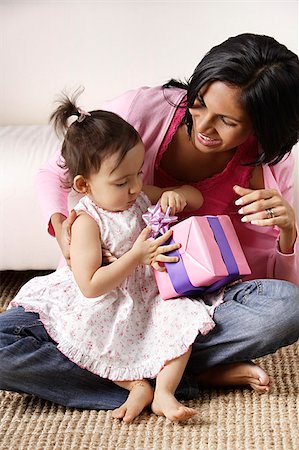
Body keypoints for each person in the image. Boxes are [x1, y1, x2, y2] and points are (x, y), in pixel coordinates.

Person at [0, 32, 299, 411]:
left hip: (189, 297)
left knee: (288, 307)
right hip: (109, 298)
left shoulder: (266, 163)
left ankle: (147, 368)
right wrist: (63, 228)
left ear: (261, 127)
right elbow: (54, 173)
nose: (204, 126)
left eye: (225, 120)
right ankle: (181, 375)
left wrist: (288, 232)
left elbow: (272, 282)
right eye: (200, 103)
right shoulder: (144, 109)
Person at [8, 95, 218, 422]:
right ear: (84, 185)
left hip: (150, 295)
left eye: (138, 173)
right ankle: (135, 384)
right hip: (108, 302)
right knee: (91, 343)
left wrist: (178, 196)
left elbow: (197, 196)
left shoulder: (137, 195)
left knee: (181, 326)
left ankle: (164, 392)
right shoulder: (87, 222)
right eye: (122, 181)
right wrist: (136, 256)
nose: (136, 187)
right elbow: (90, 286)